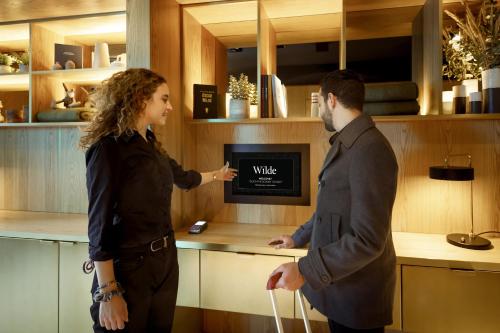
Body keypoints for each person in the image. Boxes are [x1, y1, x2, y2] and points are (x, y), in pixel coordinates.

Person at [80, 68, 236, 333]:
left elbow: (184, 177)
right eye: (164, 99)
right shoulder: (109, 148)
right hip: (128, 269)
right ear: (141, 99)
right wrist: (108, 292)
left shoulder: (150, 143)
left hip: (164, 261)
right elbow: (99, 223)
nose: (170, 106)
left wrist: (217, 176)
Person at [269, 69, 398, 333]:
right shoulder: (350, 143)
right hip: (340, 289)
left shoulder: (369, 149)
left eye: (318, 103)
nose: (319, 113)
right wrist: (298, 237)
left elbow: (368, 240)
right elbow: (331, 210)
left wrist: (304, 269)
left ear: (331, 100)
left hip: (356, 298)